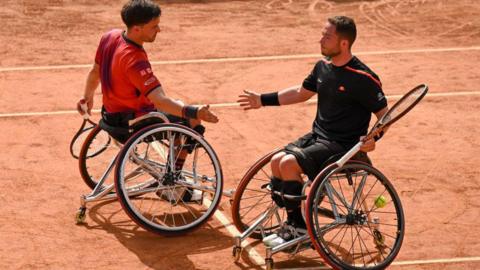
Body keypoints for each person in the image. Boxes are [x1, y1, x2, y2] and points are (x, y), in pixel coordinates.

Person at [237, 16, 388, 244]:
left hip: (344, 146)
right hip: (319, 137)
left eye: (327, 36)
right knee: (277, 160)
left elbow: (384, 115)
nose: (321, 40)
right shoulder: (322, 67)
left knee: (288, 164)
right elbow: (300, 92)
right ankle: (294, 216)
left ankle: (299, 229)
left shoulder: (364, 78)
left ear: (344, 43)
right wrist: (262, 99)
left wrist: (373, 138)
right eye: (322, 35)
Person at [76, 0, 218, 178]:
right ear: (137, 29)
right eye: (154, 26)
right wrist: (194, 112)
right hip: (133, 122)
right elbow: (160, 100)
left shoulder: (109, 37)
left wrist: (87, 97)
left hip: (110, 116)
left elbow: (95, 71)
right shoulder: (135, 59)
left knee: (178, 109)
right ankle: (171, 179)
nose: (159, 30)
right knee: (191, 122)